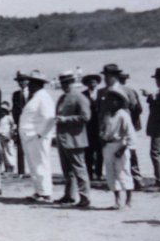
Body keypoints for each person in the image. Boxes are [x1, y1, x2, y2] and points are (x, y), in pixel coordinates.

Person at [54, 71, 92, 208]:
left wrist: (66, 119)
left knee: (79, 169)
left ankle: (85, 197)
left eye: (67, 82)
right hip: (63, 138)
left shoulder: (79, 97)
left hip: (75, 139)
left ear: (73, 82)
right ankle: (69, 196)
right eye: (63, 82)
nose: (65, 85)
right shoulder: (62, 98)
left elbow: (86, 117)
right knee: (67, 171)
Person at [18, 70, 56, 202]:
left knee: (41, 164)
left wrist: (41, 134)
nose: (29, 85)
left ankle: (45, 192)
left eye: (32, 83)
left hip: (37, 137)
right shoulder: (36, 97)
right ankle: (39, 191)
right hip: (30, 137)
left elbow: (49, 118)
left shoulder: (43, 97)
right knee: (34, 165)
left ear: (38, 84)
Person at [99, 84, 136, 209]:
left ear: (118, 102)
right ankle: (117, 201)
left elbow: (130, 134)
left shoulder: (123, 115)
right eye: (108, 99)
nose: (109, 102)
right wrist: (102, 136)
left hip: (120, 146)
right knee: (111, 173)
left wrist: (124, 148)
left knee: (123, 172)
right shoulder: (107, 114)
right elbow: (104, 129)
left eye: (112, 100)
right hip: (108, 146)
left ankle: (129, 201)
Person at [119, 71, 144, 189]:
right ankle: (137, 178)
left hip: (115, 127)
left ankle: (122, 178)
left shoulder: (107, 90)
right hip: (129, 125)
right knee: (131, 151)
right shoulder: (130, 91)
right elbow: (138, 108)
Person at [81, 74, 103, 181]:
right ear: (86, 84)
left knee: (100, 152)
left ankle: (99, 173)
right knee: (88, 152)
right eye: (90, 82)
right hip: (87, 128)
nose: (92, 84)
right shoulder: (83, 95)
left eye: (94, 82)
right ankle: (89, 173)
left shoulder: (102, 94)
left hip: (99, 126)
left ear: (97, 83)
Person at [11, 71, 30, 176]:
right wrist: (15, 123)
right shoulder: (16, 94)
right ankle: (21, 171)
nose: (21, 83)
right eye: (19, 81)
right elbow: (14, 109)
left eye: (23, 80)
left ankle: (33, 170)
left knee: (33, 148)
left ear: (28, 81)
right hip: (20, 123)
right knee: (19, 148)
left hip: (31, 123)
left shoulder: (32, 94)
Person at [0, 102, 17, 173]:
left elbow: (13, 127)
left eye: (3, 110)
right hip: (0, 136)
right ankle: (5, 168)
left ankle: (11, 168)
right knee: (1, 153)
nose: (2, 112)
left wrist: (11, 135)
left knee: (9, 152)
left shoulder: (9, 118)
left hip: (7, 137)